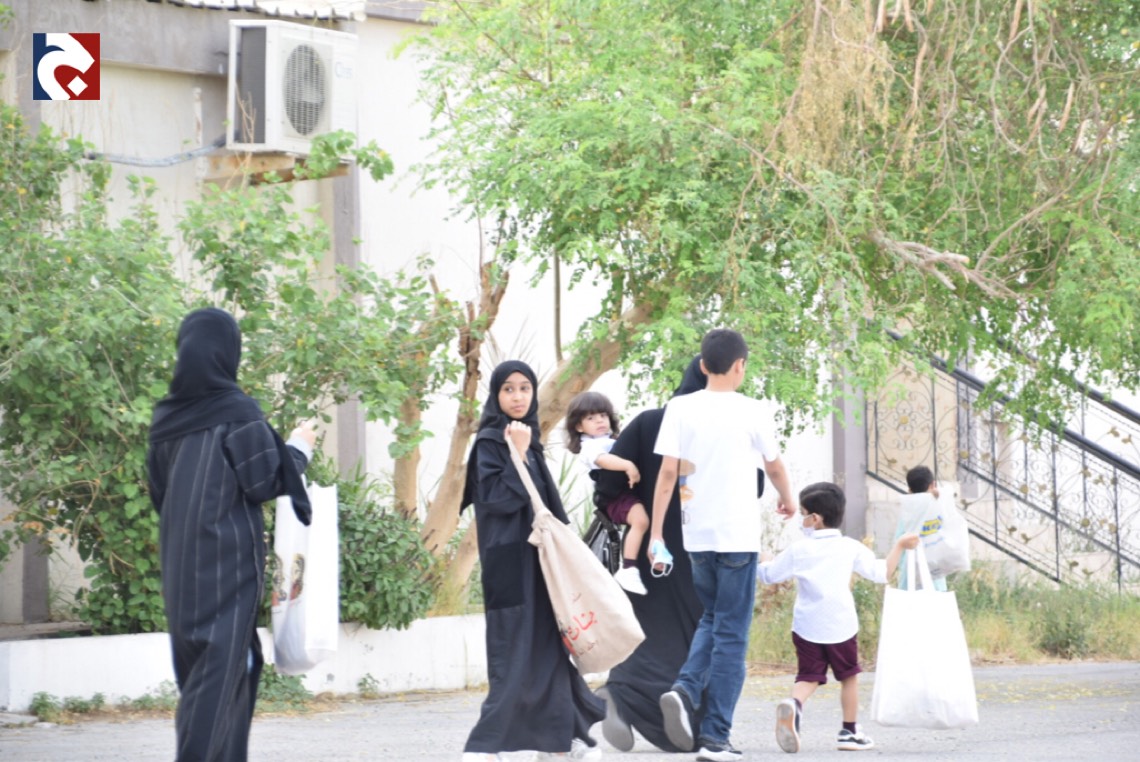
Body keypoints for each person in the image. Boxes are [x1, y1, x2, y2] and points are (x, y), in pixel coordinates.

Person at [146, 307, 316, 762]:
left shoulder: (165, 421)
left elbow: (161, 496)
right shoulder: (237, 412)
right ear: (227, 353)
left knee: (217, 674)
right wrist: (298, 448)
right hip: (226, 568)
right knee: (220, 679)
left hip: (181, 569)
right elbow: (265, 481)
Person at [650, 328, 797, 762]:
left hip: (697, 537)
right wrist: (788, 500)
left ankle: (684, 689)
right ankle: (715, 737)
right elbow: (774, 466)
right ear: (740, 366)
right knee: (731, 633)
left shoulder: (679, 408)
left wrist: (657, 533)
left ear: (702, 366)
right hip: (737, 538)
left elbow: (667, 474)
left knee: (712, 618)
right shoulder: (752, 410)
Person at [460, 360, 605, 762]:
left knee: (548, 648)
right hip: (509, 564)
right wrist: (519, 456)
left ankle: (560, 741)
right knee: (513, 650)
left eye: (525, 388)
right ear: (496, 395)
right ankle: (485, 746)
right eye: (508, 389)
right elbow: (496, 501)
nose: (518, 396)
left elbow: (549, 507)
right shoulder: (491, 442)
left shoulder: (530, 439)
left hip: (540, 564)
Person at [592, 356, 708, 753]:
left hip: (648, 553)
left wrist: (634, 508)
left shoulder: (647, 423)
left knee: (646, 629)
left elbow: (606, 485)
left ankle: (621, 694)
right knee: (698, 631)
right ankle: (686, 709)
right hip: (702, 550)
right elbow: (754, 486)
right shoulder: (720, 427)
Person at [757, 482, 919, 754]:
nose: (801, 520)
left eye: (803, 514)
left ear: (815, 519)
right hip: (840, 624)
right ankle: (849, 732)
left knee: (808, 676)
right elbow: (882, 573)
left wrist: (763, 559)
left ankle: (794, 705)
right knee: (849, 677)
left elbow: (769, 575)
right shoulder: (849, 547)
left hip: (807, 625)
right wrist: (900, 545)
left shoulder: (799, 549)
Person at [565, 390, 650, 595]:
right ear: (579, 426)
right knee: (641, 521)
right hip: (615, 499)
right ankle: (628, 568)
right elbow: (603, 460)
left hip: (627, 493)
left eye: (603, 415)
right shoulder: (589, 446)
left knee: (642, 522)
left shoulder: (612, 439)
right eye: (591, 418)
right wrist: (628, 465)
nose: (599, 420)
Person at [897, 465, 948, 591]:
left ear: (910, 489)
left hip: (910, 579)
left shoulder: (907, 513)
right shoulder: (939, 508)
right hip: (936, 579)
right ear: (933, 485)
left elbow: (898, 544)